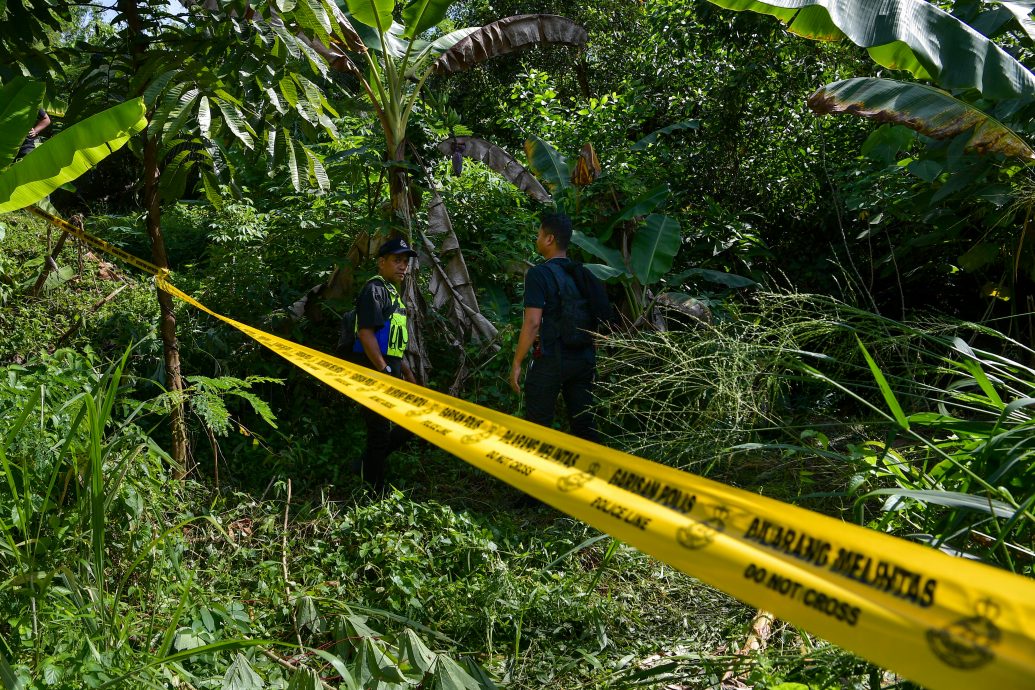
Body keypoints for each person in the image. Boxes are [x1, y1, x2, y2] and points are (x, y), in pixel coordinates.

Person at [510, 212, 610, 442]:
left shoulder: (539, 274)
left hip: (552, 358)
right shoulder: (581, 272)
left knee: (537, 427)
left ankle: (533, 475)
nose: (537, 239)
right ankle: (592, 473)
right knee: (584, 425)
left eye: (538, 235)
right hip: (583, 357)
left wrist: (517, 362)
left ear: (549, 239)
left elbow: (533, 322)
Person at [348, 236, 418, 492]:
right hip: (373, 372)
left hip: (391, 372)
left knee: (411, 423)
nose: (403, 266)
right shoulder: (374, 290)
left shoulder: (393, 294)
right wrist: (383, 370)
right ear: (381, 262)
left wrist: (408, 376)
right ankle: (375, 490)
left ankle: (364, 466)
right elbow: (366, 333)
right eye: (397, 261)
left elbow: (395, 345)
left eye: (405, 262)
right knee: (379, 432)